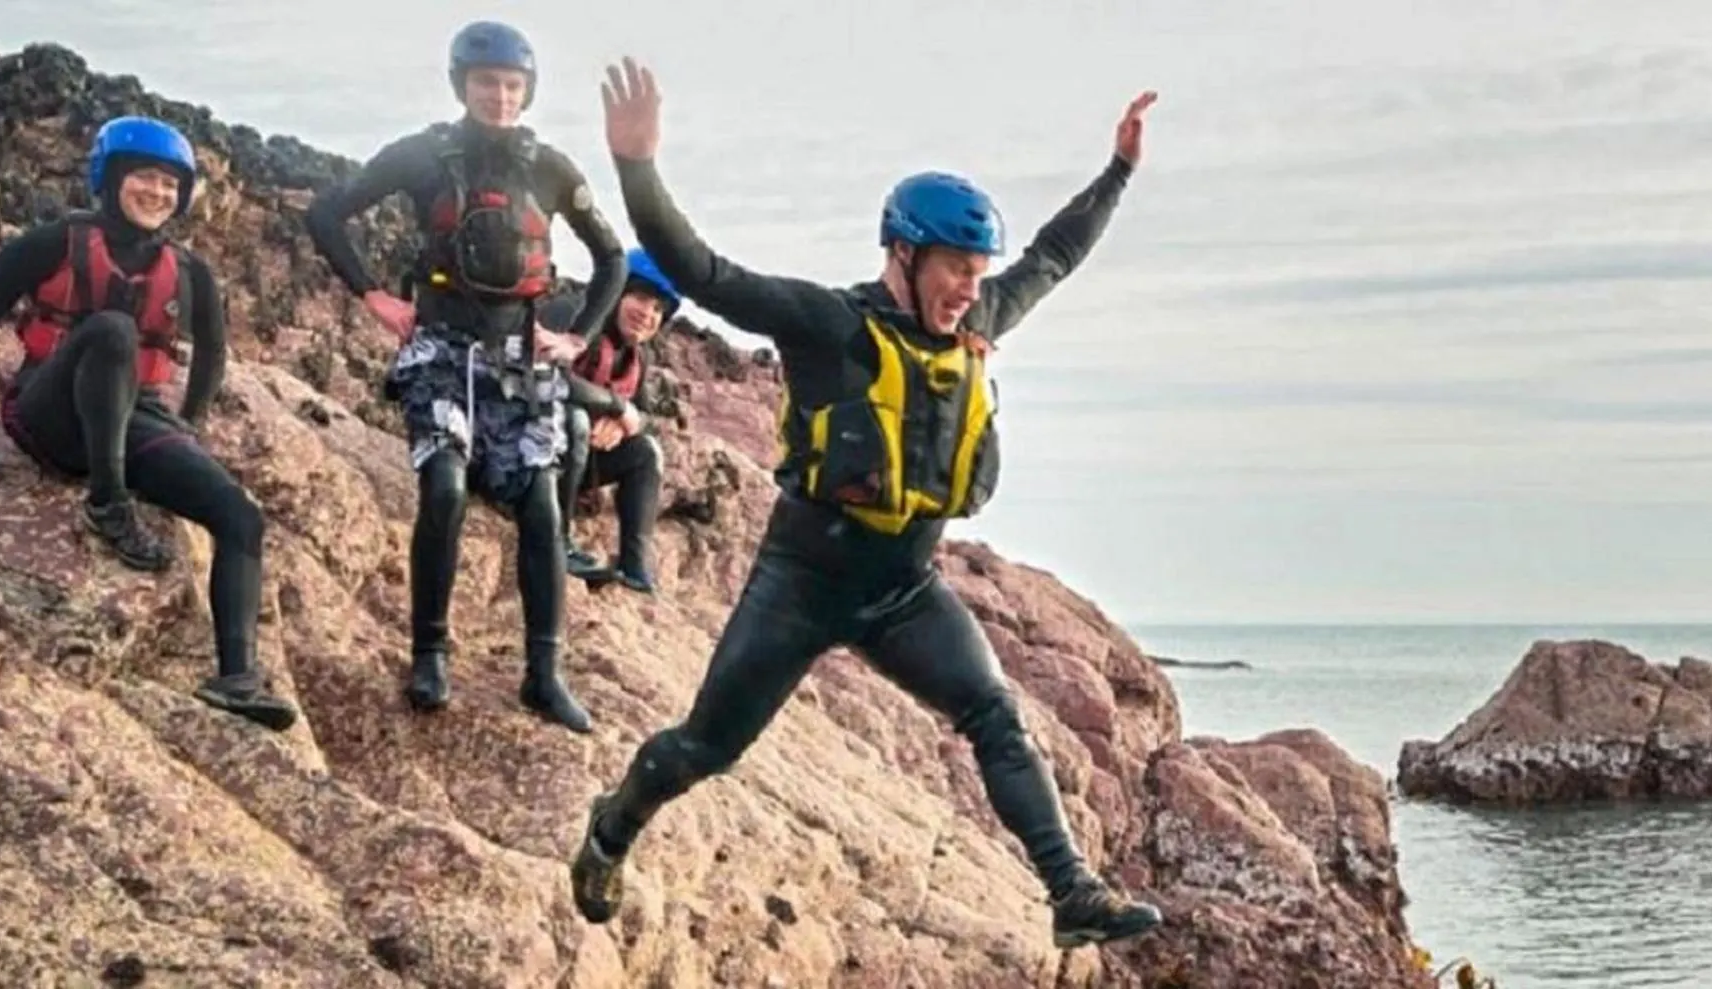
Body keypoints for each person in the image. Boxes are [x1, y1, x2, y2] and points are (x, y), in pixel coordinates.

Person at [567, 57, 1167, 949]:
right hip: (800, 581)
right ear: (901, 254)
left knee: (996, 714)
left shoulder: (978, 323)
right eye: (953, 268)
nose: (969, 287)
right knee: (705, 748)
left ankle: (1070, 891)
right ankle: (611, 828)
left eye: (976, 270)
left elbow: (1056, 255)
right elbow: (703, 272)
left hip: (903, 589)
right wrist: (637, 166)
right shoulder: (828, 327)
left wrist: (1116, 171)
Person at [303, 20, 638, 732]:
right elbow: (327, 213)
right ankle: (429, 652)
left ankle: (543, 674)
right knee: (445, 483)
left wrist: (575, 336)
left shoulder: (549, 168)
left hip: (519, 356)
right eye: (487, 83)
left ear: (528, 92)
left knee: (544, 505)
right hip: (440, 347)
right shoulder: (424, 154)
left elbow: (612, 259)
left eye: (513, 86)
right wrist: (372, 292)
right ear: (463, 85)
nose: (500, 97)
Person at [0, 115, 299, 733]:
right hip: (48, 411)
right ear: (110, 177)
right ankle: (107, 502)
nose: (157, 193)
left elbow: (211, 355)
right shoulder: (52, 242)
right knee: (112, 329)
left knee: (240, 515)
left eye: (169, 184)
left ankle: (237, 679)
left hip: (138, 418)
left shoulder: (191, 274)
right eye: (143, 178)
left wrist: (193, 427)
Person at [541, 246, 677, 595]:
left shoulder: (635, 357)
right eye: (642, 298)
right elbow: (544, 377)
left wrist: (622, 422)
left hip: (569, 463)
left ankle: (634, 567)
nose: (648, 314)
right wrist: (616, 406)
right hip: (515, 450)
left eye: (658, 308)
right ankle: (557, 541)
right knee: (575, 422)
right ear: (617, 289)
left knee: (646, 451)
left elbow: (642, 415)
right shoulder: (570, 313)